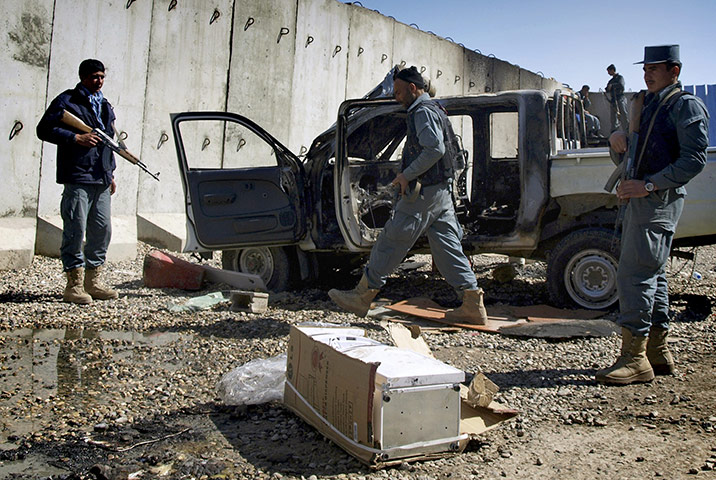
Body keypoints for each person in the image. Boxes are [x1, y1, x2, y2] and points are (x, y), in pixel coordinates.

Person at [328, 66, 487, 324]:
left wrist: (406, 175)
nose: (396, 97)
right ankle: (472, 304)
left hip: (423, 193)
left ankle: (362, 296)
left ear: (413, 88)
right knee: (447, 248)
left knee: (391, 240)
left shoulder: (422, 112)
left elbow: (433, 149)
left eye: (400, 91)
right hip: (440, 192)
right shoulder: (434, 109)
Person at [596, 45, 709, 385]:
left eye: (655, 69)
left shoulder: (684, 105)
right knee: (654, 274)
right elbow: (636, 155)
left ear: (674, 71)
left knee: (634, 275)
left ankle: (634, 358)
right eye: (645, 68)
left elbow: (694, 160)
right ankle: (657, 353)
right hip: (642, 198)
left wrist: (647, 186)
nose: (647, 74)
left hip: (657, 200)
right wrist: (617, 141)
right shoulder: (647, 105)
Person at [37, 59, 119, 305]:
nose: (99, 81)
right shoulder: (66, 101)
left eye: (102, 76)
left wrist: (110, 173)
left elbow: (108, 142)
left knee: (102, 230)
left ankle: (92, 282)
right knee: (75, 228)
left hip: (100, 177)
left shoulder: (104, 105)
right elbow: (44, 129)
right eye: (94, 76)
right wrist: (75, 137)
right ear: (83, 77)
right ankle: (73, 285)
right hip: (78, 175)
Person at [605, 64, 629, 132]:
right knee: (613, 118)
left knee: (623, 115)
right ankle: (614, 132)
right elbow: (607, 89)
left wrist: (612, 86)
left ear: (612, 70)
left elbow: (621, 86)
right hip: (613, 100)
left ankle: (627, 131)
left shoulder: (620, 78)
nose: (608, 73)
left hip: (620, 98)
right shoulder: (611, 80)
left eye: (609, 71)